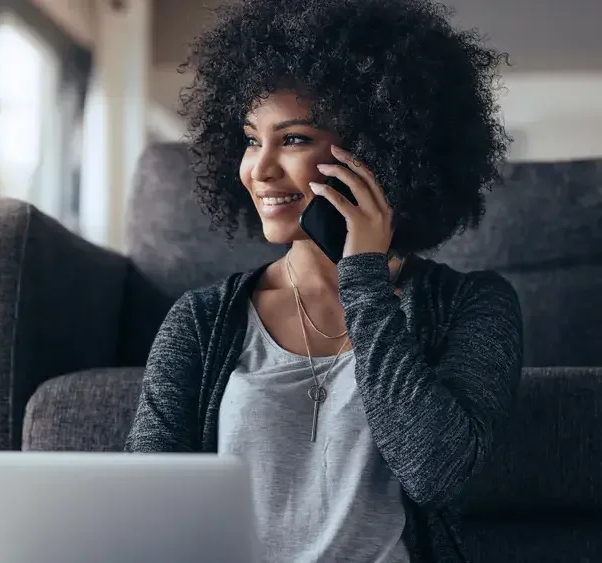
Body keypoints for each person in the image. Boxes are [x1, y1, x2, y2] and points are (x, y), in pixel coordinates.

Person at [123, 0, 524, 561]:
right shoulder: (202, 319)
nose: (259, 170)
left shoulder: (474, 305)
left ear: (379, 151)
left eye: (291, 140)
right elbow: (144, 504)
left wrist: (361, 277)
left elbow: (435, 469)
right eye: (249, 138)